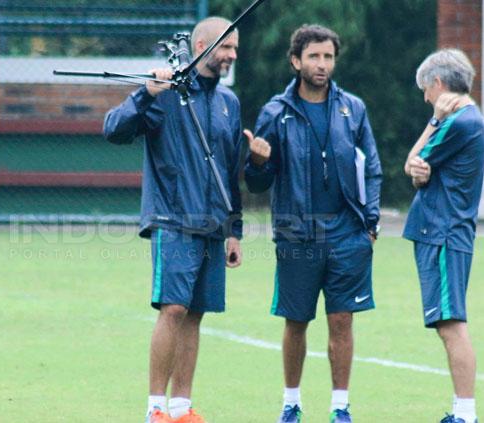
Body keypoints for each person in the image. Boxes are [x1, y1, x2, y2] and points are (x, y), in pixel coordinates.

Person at [104, 16, 243, 423]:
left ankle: (182, 407)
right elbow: (113, 129)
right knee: (174, 309)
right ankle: (155, 408)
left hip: (214, 225)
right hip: (172, 217)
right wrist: (145, 93)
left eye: (235, 48)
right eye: (225, 47)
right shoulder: (164, 94)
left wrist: (234, 230)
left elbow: (230, 169)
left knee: (196, 312)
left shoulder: (228, 102)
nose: (232, 55)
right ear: (201, 44)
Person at [243, 24, 382, 423]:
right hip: (297, 232)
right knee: (297, 320)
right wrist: (257, 161)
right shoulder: (275, 112)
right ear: (295, 61)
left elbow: (371, 168)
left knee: (341, 320)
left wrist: (369, 224)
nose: (322, 65)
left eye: (328, 57)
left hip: (347, 234)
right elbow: (257, 182)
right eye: (314, 57)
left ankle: (340, 406)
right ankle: (291, 403)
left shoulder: (352, 109)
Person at [403, 49, 484, 423]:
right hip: (442, 233)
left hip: (444, 234)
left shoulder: (460, 121)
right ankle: (462, 413)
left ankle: (465, 415)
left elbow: (413, 160)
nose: (425, 98)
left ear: (437, 83)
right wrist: (422, 170)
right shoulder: (468, 119)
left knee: (452, 323)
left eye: (425, 89)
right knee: (447, 323)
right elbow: (418, 169)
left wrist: (434, 122)